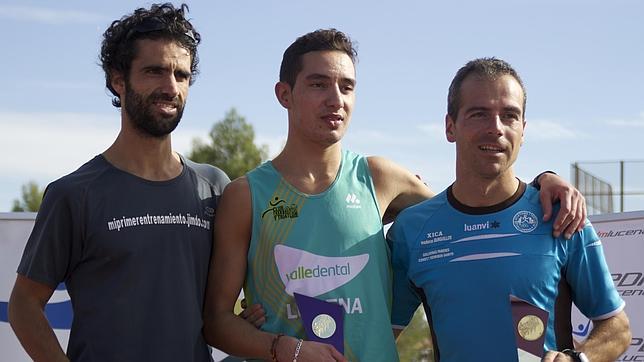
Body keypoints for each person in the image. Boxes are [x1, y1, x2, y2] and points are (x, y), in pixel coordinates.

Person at [203, 30, 588, 361]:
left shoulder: (379, 177)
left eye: (347, 86)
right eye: (319, 84)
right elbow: (217, 323)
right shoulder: (246, 194)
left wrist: (544, 180)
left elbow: (473, 201)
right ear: (284, 94)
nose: (336, 99)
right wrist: (277, 346)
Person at [8, 4, 229, 362]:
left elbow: (224, 305)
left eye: (181, 74)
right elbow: (23, 305)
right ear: (118, 79)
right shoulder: (74, 193)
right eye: (154, 71)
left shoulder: (214, 186)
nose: (170, 87)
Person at [388, 58, 631, 362]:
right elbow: (379, 336)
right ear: (450, 127)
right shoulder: (411, 230)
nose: (496, 129)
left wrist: (577, 359)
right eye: (479, 114)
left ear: (523, 130)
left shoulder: (563, 216)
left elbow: (617, 327)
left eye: (510, 116)